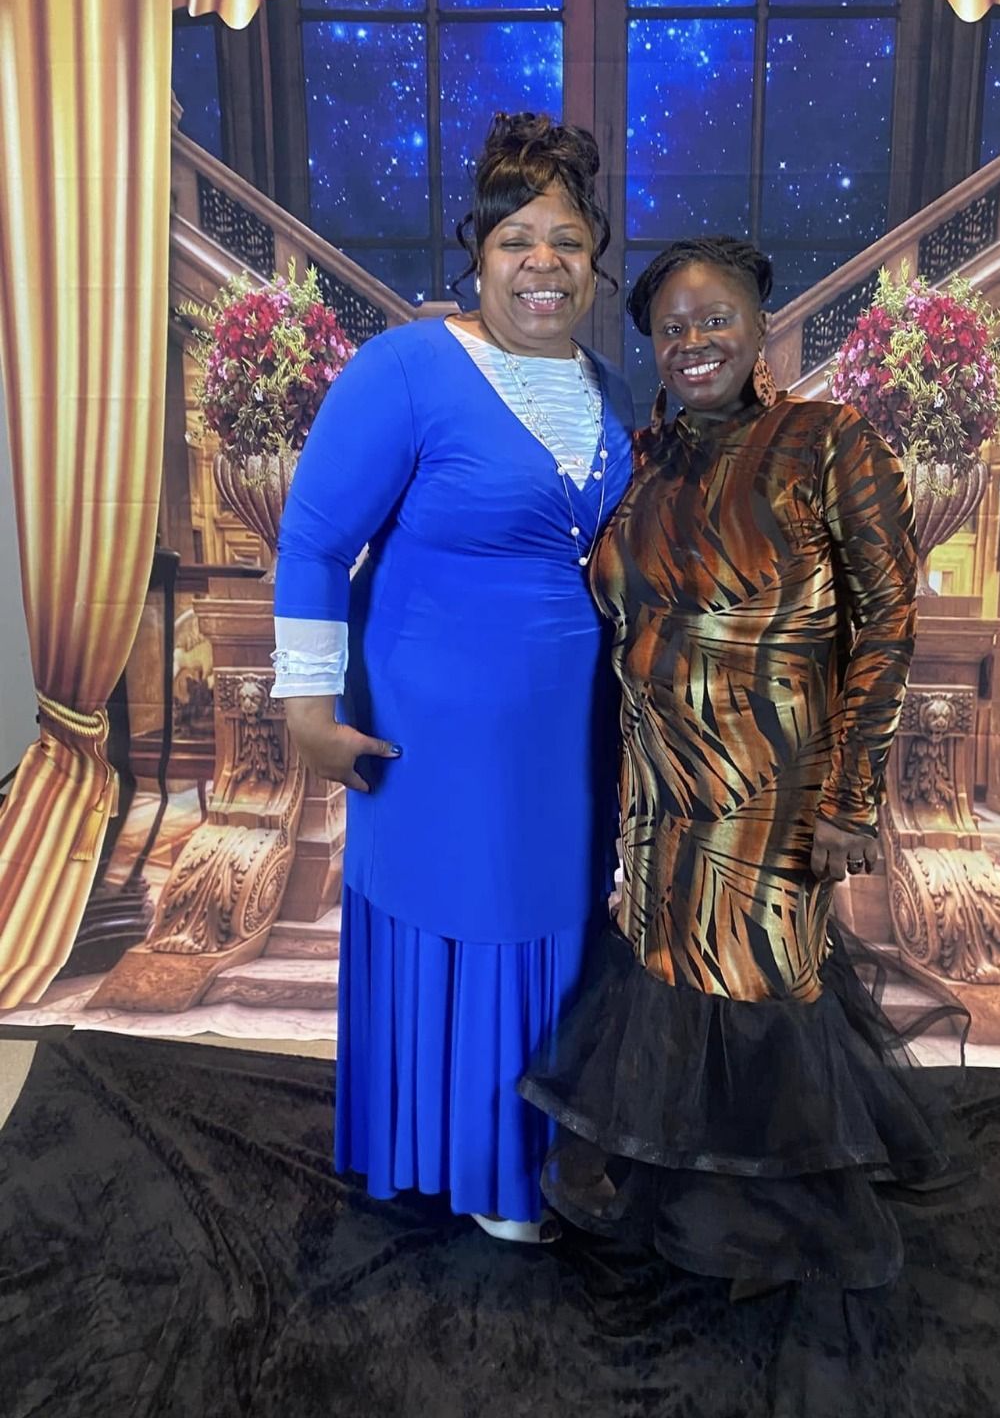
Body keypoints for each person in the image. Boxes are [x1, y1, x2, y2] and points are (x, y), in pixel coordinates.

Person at [520, 235, 960, 1293]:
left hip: (775, 784)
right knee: (664, 977)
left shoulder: (827, 442)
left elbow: (886, 625)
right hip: (658, 787)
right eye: (671, 327)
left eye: (715, 316)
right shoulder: (637, 462)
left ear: (762, 322)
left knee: (759, 977)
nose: (694, 340)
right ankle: (675, 1190)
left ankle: (760, 1217)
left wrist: (852, 795)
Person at [272, 112, 634, 1243]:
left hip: (569, 734)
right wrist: (309, 707)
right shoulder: (410, 368)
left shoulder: (609, 390)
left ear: (594, 262)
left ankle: (544, 1144)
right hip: (435, 733)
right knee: (467, 913)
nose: (543, 263)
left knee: (556, 918)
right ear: (475, 252)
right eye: (517, 237)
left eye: (567, 241)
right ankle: (480, 1165)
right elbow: (315, 541)